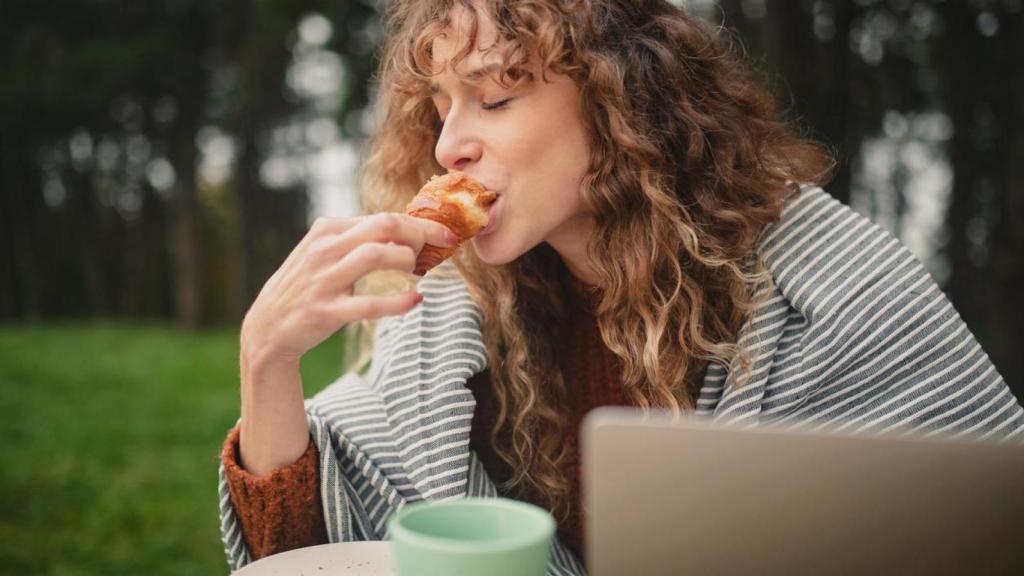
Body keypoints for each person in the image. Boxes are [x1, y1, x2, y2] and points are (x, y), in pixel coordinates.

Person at [217, 0, 1024, 573]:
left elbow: (976, 525)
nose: (451, 145)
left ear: (620, 101)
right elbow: (318, 561)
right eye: (440, 107)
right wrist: (266, 363)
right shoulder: (457, 312)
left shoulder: (821, 281)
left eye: (495, 95)